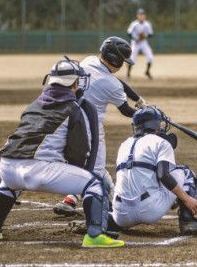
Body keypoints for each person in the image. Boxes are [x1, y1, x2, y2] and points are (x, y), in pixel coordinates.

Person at [0, 57, 124, 248]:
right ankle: (94, 235)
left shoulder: (34, 104)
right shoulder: (74, 108)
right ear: (74, 83)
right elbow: (78, 152)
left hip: (7, 167)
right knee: (94, 184)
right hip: (41, 171)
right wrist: (78, 173)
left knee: (8, 185)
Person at [53, 37, 149, 216]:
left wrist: (137, 99)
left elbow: (119, 82)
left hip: (67, 120)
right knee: (95, 168)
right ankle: (100, 201)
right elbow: (125, 110)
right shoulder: (110, 85)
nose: (121, 65)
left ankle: (80, 197)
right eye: (121, 61)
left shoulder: (89, 60)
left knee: (81, 162)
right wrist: (146, 113)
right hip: (91, 127)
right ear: (115, 60)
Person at [110, 106, 197, 235]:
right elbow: (163, 175)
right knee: (185, 172)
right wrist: (185, 198)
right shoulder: (161, 143)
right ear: (156, 125)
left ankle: (102, 220)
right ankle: (188, 220)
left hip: (121, 215)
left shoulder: (124, 144)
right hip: (149, 210)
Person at [126, 8, 155, 80]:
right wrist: (135, 38)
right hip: (135, 43)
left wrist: (145, 36)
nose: (141, 16)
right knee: (131, 58)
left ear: (145, 16)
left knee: (150, 57)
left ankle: (147, 72)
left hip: (143, 43)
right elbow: (129, 33)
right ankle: (128, 74)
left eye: (143, 15)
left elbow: (151, 34)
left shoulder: (147, 24)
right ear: (137, 16)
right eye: (140, 15)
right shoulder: (134, 24)